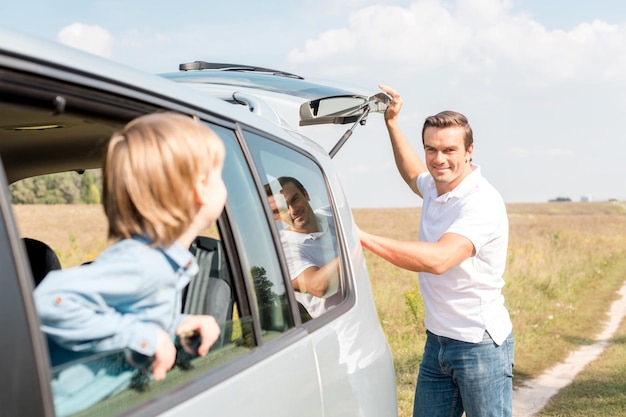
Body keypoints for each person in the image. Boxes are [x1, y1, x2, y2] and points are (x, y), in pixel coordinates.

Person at [34, 112, 225, 384]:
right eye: (219, 174)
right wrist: (143, 338)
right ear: (202, 188)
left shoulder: (158, 261)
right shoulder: (144, 262)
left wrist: (177, 325)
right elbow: (46, 302)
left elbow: (133, 316)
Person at [359, 85, 514, 417]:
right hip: (438, 342)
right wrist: (392, 123)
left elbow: (441, 259)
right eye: (431, 149)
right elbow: (413, 173)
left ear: (469, 150)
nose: (439, 159)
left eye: (449, 150)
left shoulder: (481, 201)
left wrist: (359, 237)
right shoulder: (435, 185)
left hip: (479, 345)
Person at [275, 176, 341, 319]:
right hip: (337, 331)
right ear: (277, 216)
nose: (292, 210)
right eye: (284, 208)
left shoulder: (331, 214)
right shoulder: (282, 247)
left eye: (295, 199)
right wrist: (354, 246)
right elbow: (319, 286)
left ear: (306, 194)